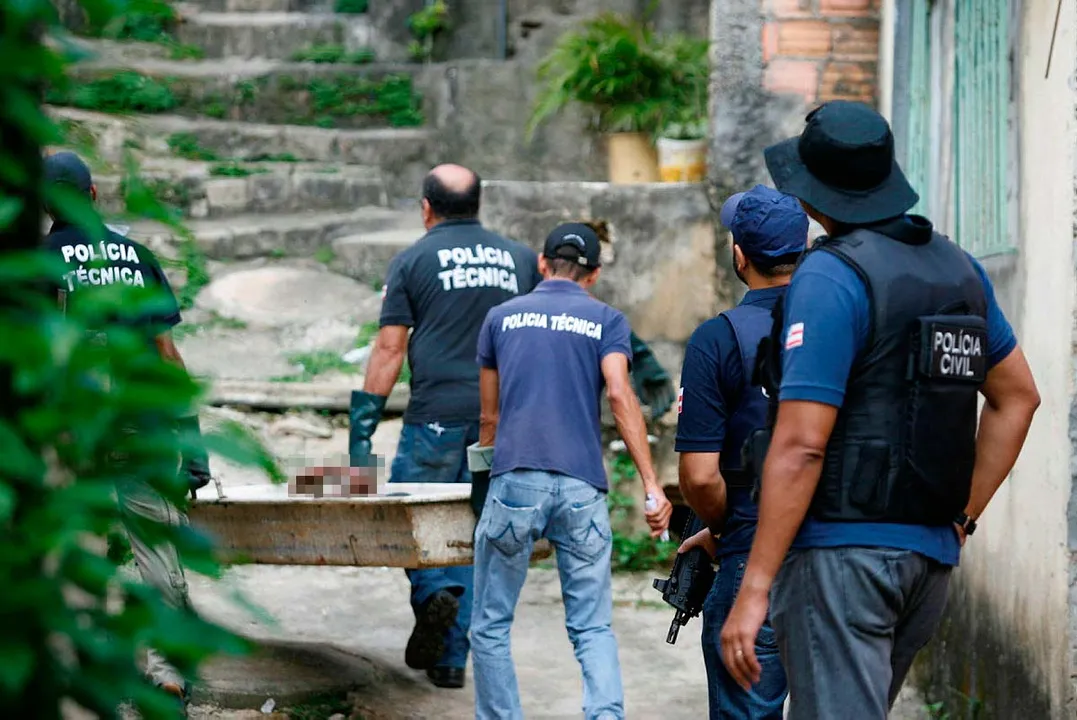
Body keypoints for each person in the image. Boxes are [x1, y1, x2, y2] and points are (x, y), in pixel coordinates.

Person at [718, 101, 1041, 719]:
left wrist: (754, 586)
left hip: (842, 560)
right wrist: (962, 517)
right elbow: (1018, 397)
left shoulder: (831, 276)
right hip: (928, 562)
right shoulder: (960, 270)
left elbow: (802, 443)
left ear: (814, 194)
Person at [350, 165, 677, 690]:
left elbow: (390, 349)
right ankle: (451, 660)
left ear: (426, 209)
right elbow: (578, 313)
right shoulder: (519, 258)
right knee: (473, 531)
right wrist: (647, 366)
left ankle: (435, 592)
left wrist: (364, 422)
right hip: (506, 421)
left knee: (412, 518)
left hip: (437, 416)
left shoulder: (412, 260)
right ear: (479, 203)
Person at [470, 222, 673, 720]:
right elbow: (621, 395)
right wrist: (651, 485)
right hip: (582, 486)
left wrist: (485, 488)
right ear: (594, 274)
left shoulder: (500, 317)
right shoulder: (607, 320)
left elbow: (489, 419)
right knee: (592, 626)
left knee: (490, 625)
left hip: (515, 480)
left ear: (542, 264)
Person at [42, 151, 213, 714]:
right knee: (157, 551)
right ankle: (167, 679)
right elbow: (167, 355)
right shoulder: (136, 258)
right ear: (93, 196)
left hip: (70, 436)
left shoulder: (36, 261)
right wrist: (192, 441)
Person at [675, 184, 808, 719]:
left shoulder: (718, 338)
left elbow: (700, 477)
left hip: (754, 554)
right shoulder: (846, 325)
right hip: (840, 554)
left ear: (739, 255)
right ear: (804, 250)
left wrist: (725, 529)